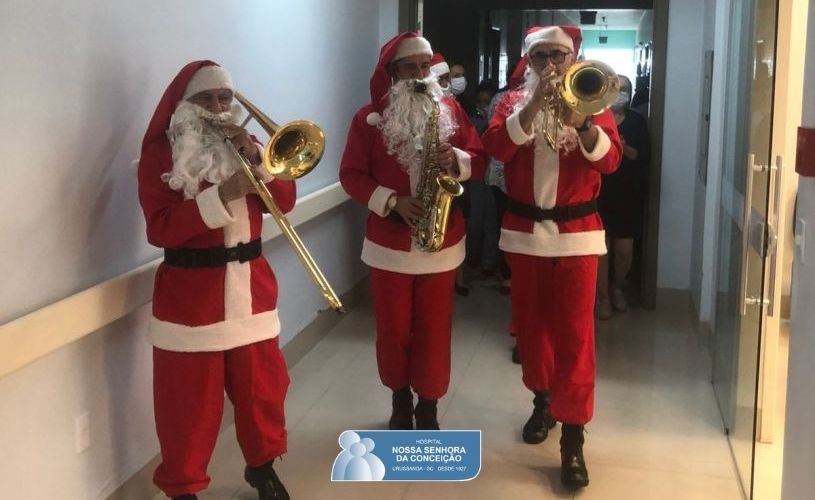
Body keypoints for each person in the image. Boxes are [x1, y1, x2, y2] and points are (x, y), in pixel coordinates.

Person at [137, 60, 293, 500]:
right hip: (189, 296)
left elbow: (286, 201)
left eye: (225, 98)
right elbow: (160, 229)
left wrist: (258, 159)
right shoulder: (160, 156)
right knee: (187, 404)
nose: (218, 107)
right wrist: (221, 195)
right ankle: (183, 487)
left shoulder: (252, 144)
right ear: (184, 107)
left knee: (263, 390)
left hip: (252, 289)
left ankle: (262, 467)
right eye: (205, 99)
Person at [482, 26, 622, 489]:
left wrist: (583, 121)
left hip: (578, 236)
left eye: (558, 55)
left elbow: (610, 162)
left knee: (576, 336)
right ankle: (543, 401)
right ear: (528, 62)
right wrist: (535, 105)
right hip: (524, 235)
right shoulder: (510, 104)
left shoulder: (593, 99)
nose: (551, 64)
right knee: (531, 326)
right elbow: (496, 149)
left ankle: (574, 438)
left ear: (572, 57)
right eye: (541, 56)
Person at [339, 33, 487, 430]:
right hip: (389, 243)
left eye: (426, 67)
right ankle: (400, 399)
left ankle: (429, 405)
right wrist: (392, 201)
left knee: (435, 331)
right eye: (411, 68)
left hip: (442, 241)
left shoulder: (450, 109)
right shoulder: (368, 119)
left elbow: (479, 158)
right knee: (392, 331)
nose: (422, 75)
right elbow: (350, 176)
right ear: (393, 74)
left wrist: (456, 159)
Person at [596, 75, 651, 319]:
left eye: (625, 89)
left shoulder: (637, 121)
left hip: (628, 193)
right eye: (617, 89)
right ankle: (604, 298)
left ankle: (617, 286)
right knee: (602, 248)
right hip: (600, 192)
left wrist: (622, 148)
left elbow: (643, 156)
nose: (621, 94)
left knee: (624, 249)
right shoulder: (596, 116)